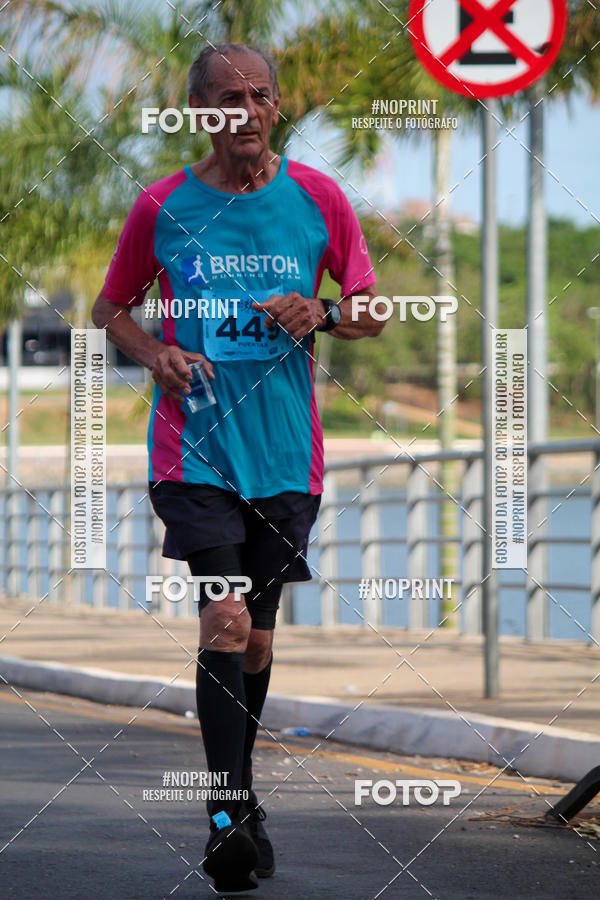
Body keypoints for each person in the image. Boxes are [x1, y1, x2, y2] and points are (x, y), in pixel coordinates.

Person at [92, 41, 383, 895]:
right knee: (222, 618)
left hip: (286, 456)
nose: (245, 111)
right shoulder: (163, 204)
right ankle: (224, 817)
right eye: (227, 97)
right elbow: (112, 309)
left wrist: (321, 311)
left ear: (275, 107)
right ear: (201, 111)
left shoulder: (318, 198)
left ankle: (245, 795)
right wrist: (155, 354)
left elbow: (372, 311)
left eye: (258, 95)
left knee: (256, 637)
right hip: (194, 451)